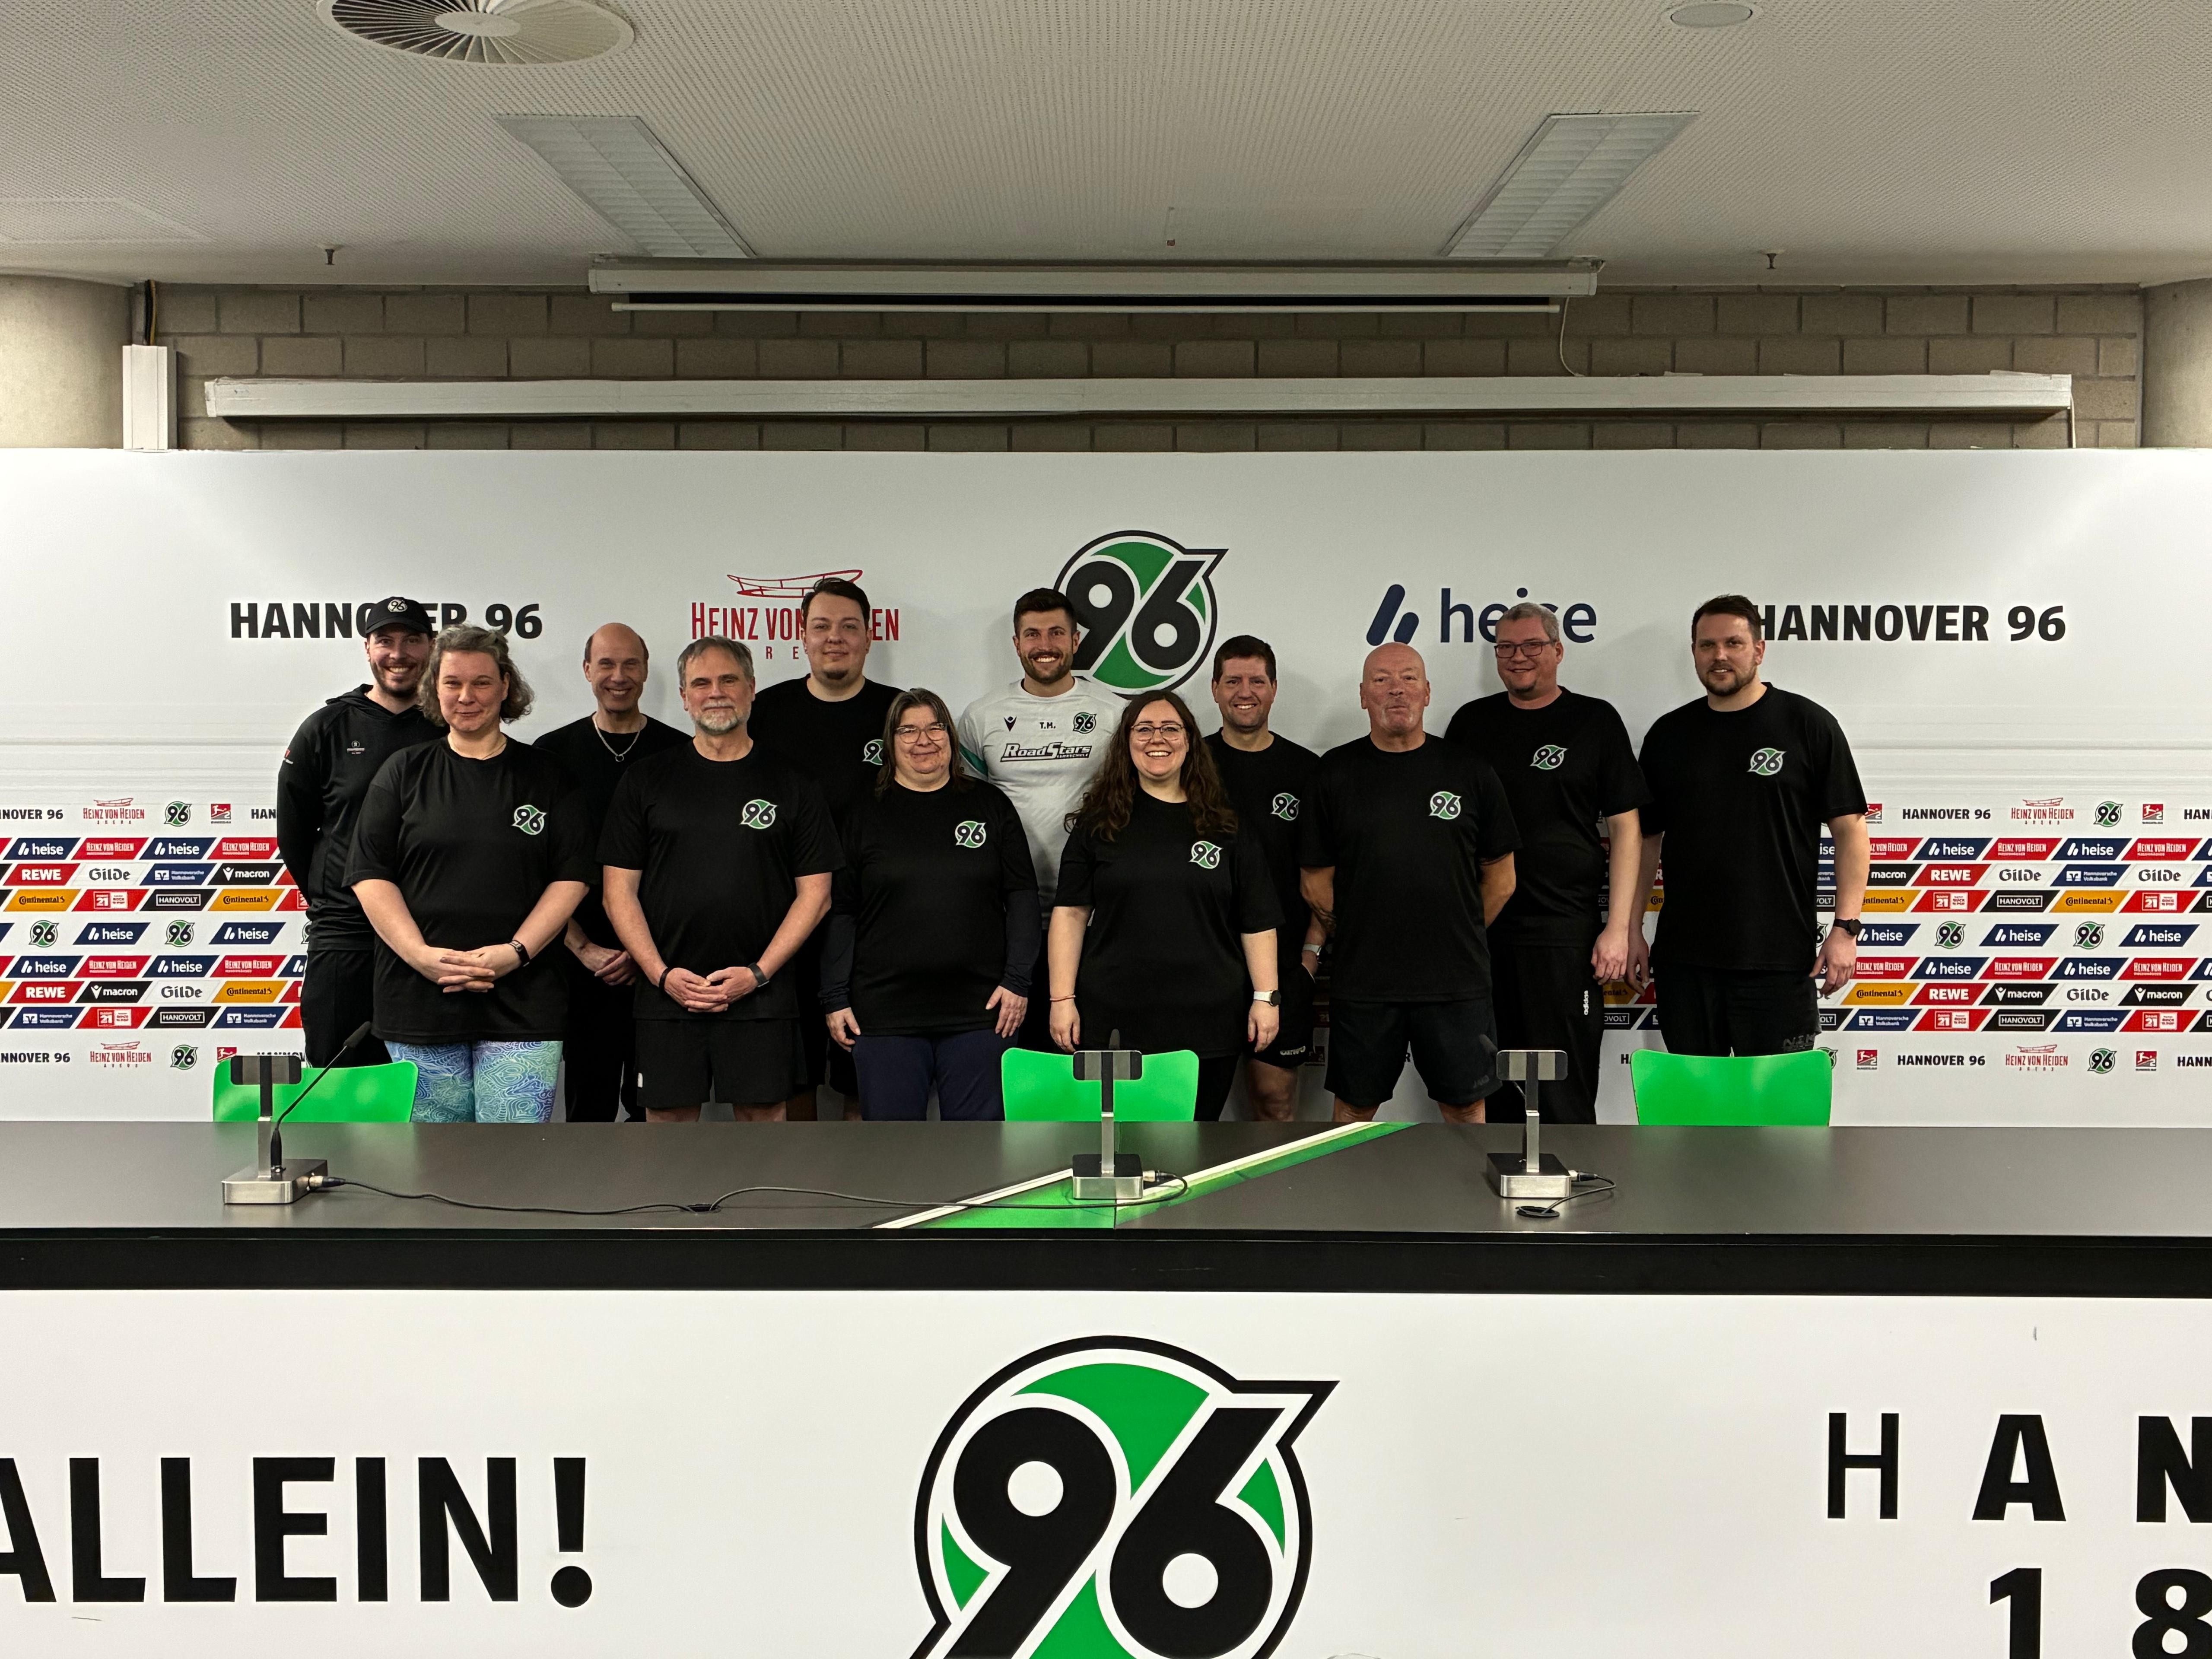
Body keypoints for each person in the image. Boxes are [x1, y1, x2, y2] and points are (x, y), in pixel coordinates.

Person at [347, 626, 592, 1123]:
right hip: (420, 998)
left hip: (523, 1001)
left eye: (481, 683)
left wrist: (515, 952)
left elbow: (571, 877)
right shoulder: (402, 772)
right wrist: (421, 956)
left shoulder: (549, 776)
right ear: (434, 689)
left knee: (514, 1161)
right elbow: (370, 874)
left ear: (506, 686)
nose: (467, 696)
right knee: (436, 1166)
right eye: (453, 683)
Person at [600, 636, 839, 1123]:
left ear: (751, 689)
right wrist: (660, 974)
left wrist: (757, 973)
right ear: (685, 697)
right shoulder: (645, 781)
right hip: (666, 992)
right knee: (667, 1128)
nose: (716, 692)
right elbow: (616, 891)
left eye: (728, 680)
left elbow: (816, 896)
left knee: (762, 1126)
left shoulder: (793, 782)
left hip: (762, 994)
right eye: (701, 683)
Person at [1631, 595, 1869, 1056]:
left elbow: (1850, 830)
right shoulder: (1667, 736)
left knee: (1778, 1119)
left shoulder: (1808, 725)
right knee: (1696, 1113)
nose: (1719, 655)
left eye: (1733, 643)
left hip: (1779, 961)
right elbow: (1645, 841)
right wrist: (1629, 927)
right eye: (1707, 645)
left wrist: (1845, 928)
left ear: (1758, 650)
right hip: (1685, 961)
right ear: (1694, 653)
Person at [1444, 603, 1649, 1123]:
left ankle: (1573, 1191)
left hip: (1564, 936)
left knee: (1563, 1089)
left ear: (1557, 651)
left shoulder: (1594, 721)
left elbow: (1626, 828)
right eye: (1506, 648)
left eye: (1532, 645)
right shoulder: (1471, 724)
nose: (1519, 658)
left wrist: (1620, 929)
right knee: (1489, 1087)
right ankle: (1492, 1196)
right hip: (1484, 934)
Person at [1300, 643, 1519, 1124]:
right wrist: (1356, 929)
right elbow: (1315, 881)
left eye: (1407, 678)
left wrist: (1455, 930)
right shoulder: (1332, 774)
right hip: (1365, 981)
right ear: (1363, 696)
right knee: (1353, 1109)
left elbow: (1501, 880)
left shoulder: (1470, 772)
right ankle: (1350, 1201)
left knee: (1465, 1107)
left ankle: (1467, 1203)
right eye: (1380, 680)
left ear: (1426, 692)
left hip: (1455, 981)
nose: (1395, 689)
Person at [1049, 691, 1281, 1122]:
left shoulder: (1226, 826)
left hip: (1207, 1016)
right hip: (1115, 1015)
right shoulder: (1098, 823)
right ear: (1126, 742)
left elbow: (1257, 920)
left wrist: (1266, 998)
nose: (1158, 738)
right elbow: (1070, 914)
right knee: (1123, 1146)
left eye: (1171, 728)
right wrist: (1061, 998)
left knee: (1196, 1145)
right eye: (1144, 728)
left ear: (1190, 741)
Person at [821, 689, 1037, 1120]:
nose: (924, 740)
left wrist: (1017, 982)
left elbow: (1022, 896)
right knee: (893, 1157)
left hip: (980, 1013)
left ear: (951, 737)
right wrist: (833, 996)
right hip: (884, 1013)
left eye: (935, 727)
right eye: (909, 730)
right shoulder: (862, 814)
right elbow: (841, 910)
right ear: (890, 742)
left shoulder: (989, 805)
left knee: (978, 1152)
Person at [747, 577, 903, 1121]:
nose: (834, 638)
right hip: (782, 916)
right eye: (821, 627)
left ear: (868, 637)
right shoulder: (766, 711)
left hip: (873, 921)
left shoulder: (899, 714)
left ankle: (859, 1196)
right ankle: (801, 1193)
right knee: (794, 1073)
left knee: (865, 1070)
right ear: (802, 636)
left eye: (848, 627)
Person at [957, 587, 1127, 1051]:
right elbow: (966, 809)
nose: (1044, 644)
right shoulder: (980, 717)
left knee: (1084, 1062)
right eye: (1031, 634)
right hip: (1008, 921)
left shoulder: (1114, 714)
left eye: (1056, 632)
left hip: (1091, 920)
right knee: (1021, 1068)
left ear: (1076, 640)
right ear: (1015, 644)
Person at [532, 623, 688, 1122]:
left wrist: (647, 955)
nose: (618, 676)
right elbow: (537, 864)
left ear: (645, 672)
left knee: (658, 1110)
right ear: (586, 671)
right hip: (579, 964)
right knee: (586, 1112)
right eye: (605, 664)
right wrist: (582, 947)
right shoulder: (550, 754)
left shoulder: (680, 753)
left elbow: (689, 866)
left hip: (658, 966)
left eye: (630, 664)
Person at [277, 595, 439, 1068]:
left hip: (430, 938)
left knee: (426, 1091)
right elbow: (295, 830)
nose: (398, 653)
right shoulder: (326, 727)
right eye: (385, 641)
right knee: (336, 1076)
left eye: (412, 640)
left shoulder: (450, 727)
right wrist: (335, 895)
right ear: (367, 649)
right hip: (345, 935)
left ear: (430, 648)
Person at [1204, 635, 1325, 1121]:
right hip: (1204, 964)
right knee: (1191, 1106)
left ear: (1274, 689)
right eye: (1232, 680)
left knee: (1274, 1100)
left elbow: (1323, 872)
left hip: (1282, 966)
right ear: (1214, 689)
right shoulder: (1189, 765)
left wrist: (1309, 958)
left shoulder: (1307, 771)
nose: (1244, 691)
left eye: (1256, 680)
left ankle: (1277, 1199)